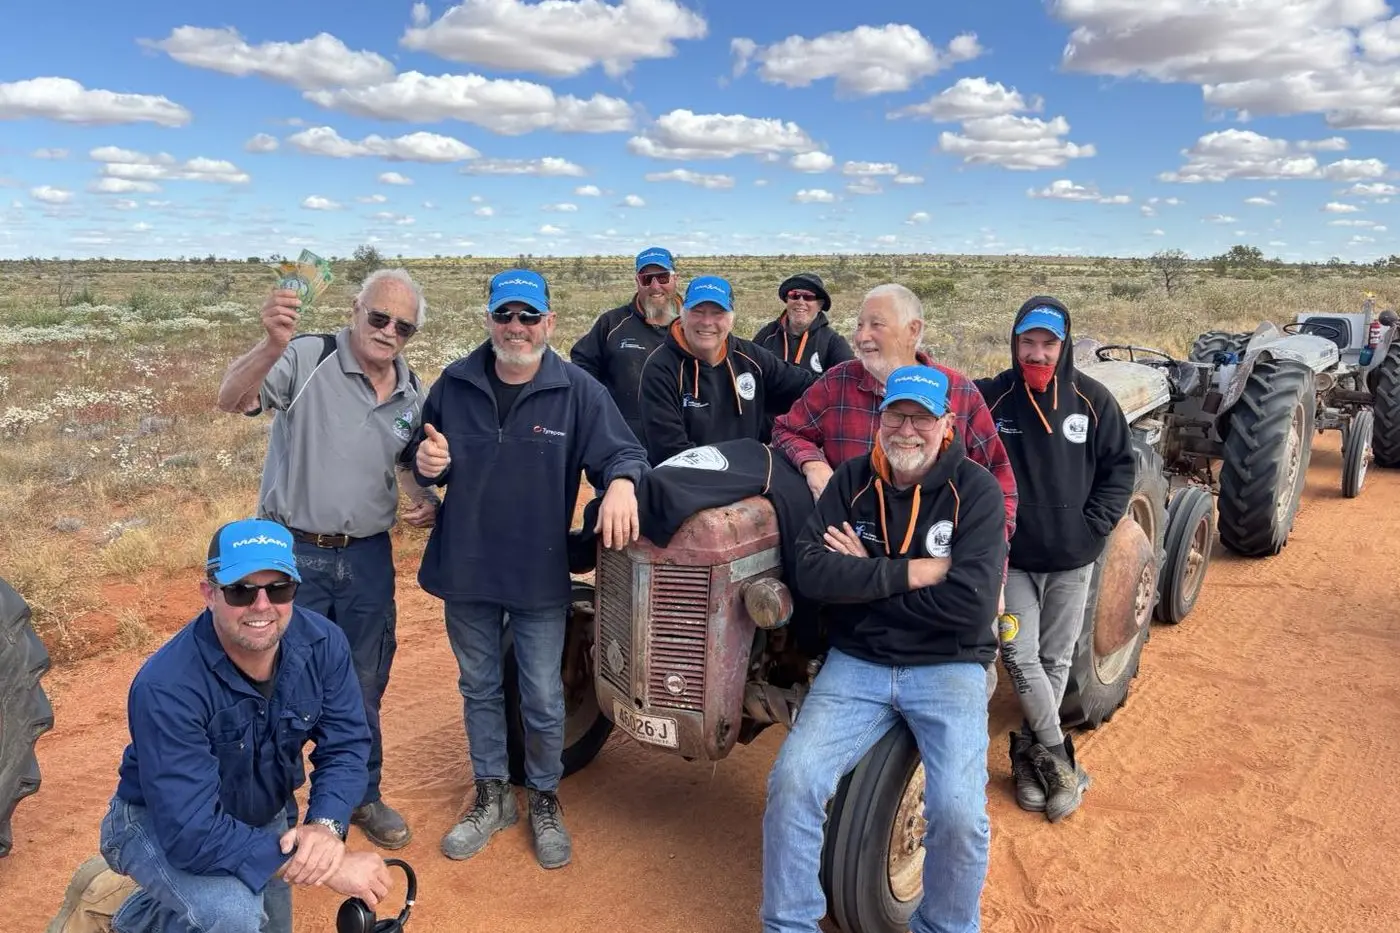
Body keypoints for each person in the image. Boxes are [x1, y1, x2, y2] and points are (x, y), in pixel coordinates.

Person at [405, 268, 649, 870]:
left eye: (528, 317)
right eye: (505, 315)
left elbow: (624, 452)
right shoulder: (455, 383)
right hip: (466, 566)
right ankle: (492, 795)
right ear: (489, 319)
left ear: (549, 323)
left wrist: (619, 484)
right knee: (479, 687)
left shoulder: (577, 390)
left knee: (542, 697)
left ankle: (542, 796)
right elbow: (418, 452)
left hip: (539, 573)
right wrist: (426, 463)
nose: (516, 327)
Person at [763, 366, 1008, 933]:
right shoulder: (850, 482)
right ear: (880, 420)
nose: (907, 429)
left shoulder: (975, 493)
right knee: (794, 781)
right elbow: (812, 576)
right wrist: (915, 574)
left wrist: (863, 578)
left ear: (946, 424)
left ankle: (944, 927)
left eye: (921, 417)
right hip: (859, 666)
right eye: (896, 415)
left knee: (958, 814)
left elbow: (970, 609)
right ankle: (789, 925)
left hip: (949, 666)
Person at [74, 518, 392, 933]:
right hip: (157, 820)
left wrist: (326, 827)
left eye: (278, 588)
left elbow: (347, 745)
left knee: (269, 926)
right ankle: (121, 901)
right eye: (240, 590)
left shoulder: (323, 643)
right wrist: (329, 869)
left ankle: (129, 921)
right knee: (234, 915)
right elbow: (191, 832)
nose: (261, 606)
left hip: (262, 817)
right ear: (209, 593)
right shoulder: (167, 686)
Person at [215, 268, 438, 849]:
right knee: (276, 681)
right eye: (379, 317)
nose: (389, 332)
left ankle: (360, 795)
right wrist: (270, 345)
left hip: (367, 559)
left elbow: (409, 464)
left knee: (362, 686)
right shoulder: (307, 357)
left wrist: (429, 497)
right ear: (354, 310)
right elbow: (231, 398)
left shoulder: (413, 390)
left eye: (403, 326)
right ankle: (271, 805)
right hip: (294, 556)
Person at [974, 297, 1135, 822]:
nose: (1037, 352)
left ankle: (1029, 754)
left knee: (1056, 662)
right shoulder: (992, 398)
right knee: (1019, 656)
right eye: (1028, 342)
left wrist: (1094, 525)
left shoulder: (1094, 401)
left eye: (1048, 343)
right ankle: (1062, 759)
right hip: (1014, 559)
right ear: (1014, 343)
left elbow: (1119, 469)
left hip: (1072, 559)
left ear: (1063, 346)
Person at [771, 283, 1018, 543]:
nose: (861, 337)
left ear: (913, 330)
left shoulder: (959, 391)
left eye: (876, 325)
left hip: (939, 562)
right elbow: (786, 429)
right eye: (859, 325)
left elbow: (1000, 483)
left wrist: (985, 560)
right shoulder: (838, 382)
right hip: (849, 558)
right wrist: (813, 463)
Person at [637, 275, 818, 465]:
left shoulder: (751, 357)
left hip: (750, 473)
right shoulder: (660, 368)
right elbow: (670, 451)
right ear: (682, 315)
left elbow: (810, 388)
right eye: (698, 311)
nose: (707, 322)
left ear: (731, 320)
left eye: (718, 313)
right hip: (685, 480)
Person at [570, 245, 682, 444]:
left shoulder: (694, 326)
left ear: (675, 278)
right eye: (646, 279)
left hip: (680, 442)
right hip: (623, 441)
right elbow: (582, 365)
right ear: (637, 282)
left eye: (663, 277)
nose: (655, 286)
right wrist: (601, 412)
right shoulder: (612, 323)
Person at [752, 272, 854, 376]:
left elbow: (849, 379)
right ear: (787, 300)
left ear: (820, 305)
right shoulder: (767, 335)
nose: (800, 302)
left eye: (808, 296)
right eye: (794, 295)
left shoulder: (833, 342)